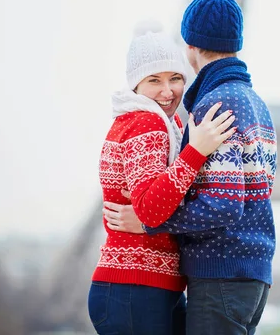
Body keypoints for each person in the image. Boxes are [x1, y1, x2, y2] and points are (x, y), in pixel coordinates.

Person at [103, 0, 278, 335]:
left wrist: (150, 223)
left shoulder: (215, 103)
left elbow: (226, 205)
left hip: (220, 274)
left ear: (190, 46)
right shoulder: (255, 103)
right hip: (252, 275)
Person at [88, 21, 237, 335]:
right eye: (154, 80)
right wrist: (196, 151)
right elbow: (151, 211)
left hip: (140, 289)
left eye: (175, 78)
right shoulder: (148, 124)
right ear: (136, 84)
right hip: (136, 291)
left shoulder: (153, 123)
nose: (168, 91)